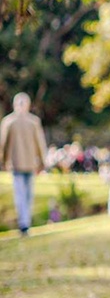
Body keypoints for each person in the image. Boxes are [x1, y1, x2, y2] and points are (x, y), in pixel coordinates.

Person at [0, 92, 47, 237]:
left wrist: (4, 160)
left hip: (18, 163)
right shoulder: (32, 121)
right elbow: (40, 144)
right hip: (28, 163)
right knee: (26, 194)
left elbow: (4, 145)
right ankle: (25, 223)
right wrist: (42, 162)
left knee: (21, 194)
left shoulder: (9, 121)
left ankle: (24, 223)